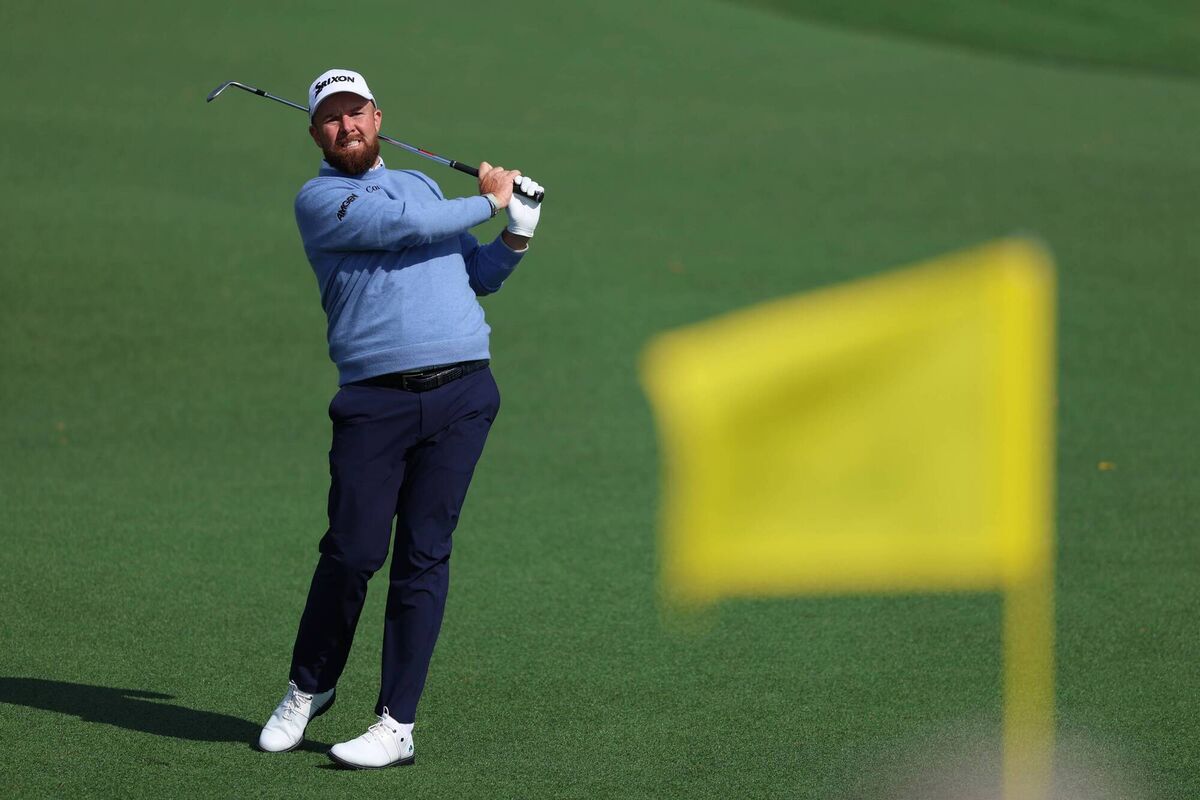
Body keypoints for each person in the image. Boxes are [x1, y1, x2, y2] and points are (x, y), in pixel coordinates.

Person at [255, 68, 544, 769]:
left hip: (462, 394)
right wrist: (488, 198)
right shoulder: (319, 200)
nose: (346, 126)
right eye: (331, 117)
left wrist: (517, 231)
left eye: (355, 112)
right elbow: (401, 227)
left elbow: (476, 276)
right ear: (316, 132)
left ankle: (396, 724)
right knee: (352, 551)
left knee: (424, 554)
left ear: (378, 118)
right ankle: (309, 686)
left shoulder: (422, 186)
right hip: (374, 401)